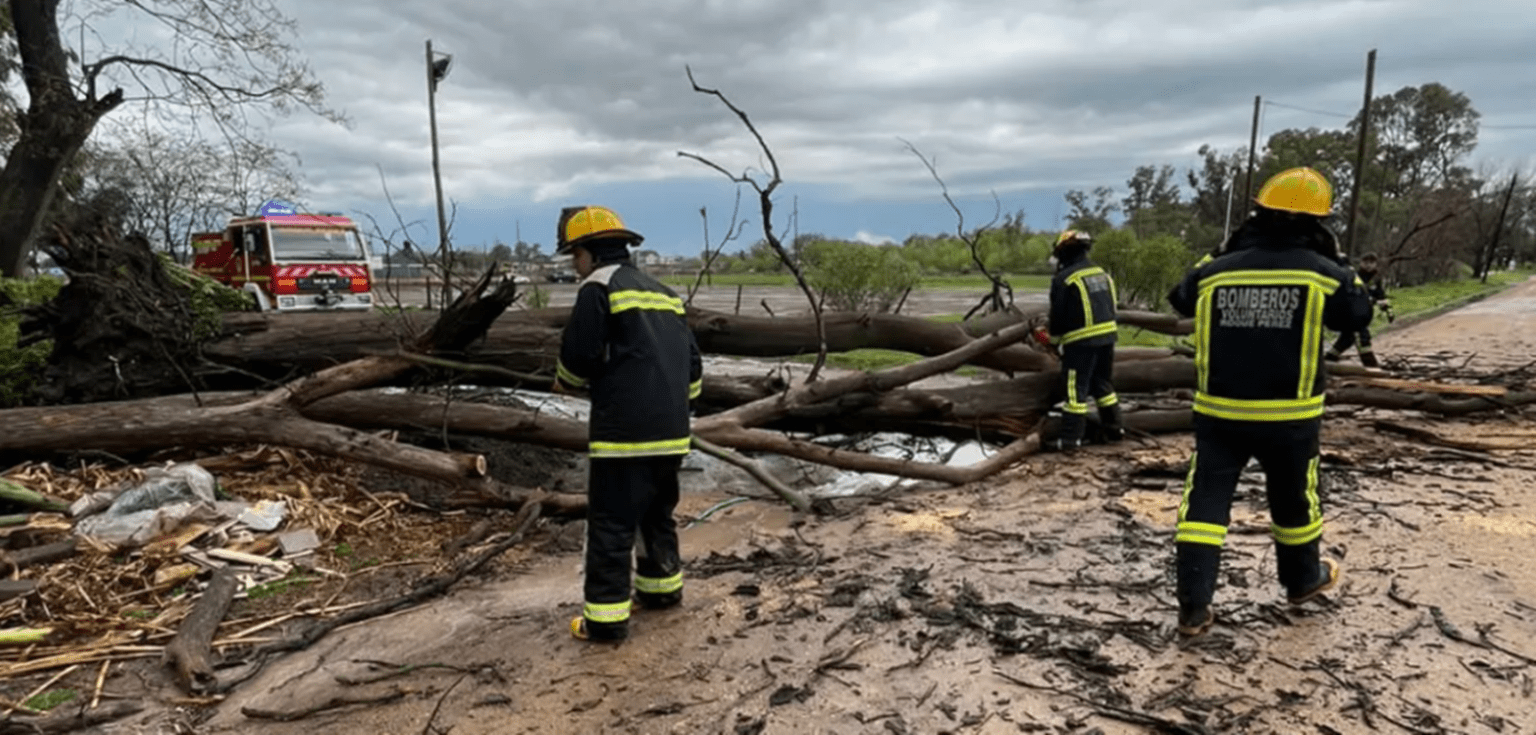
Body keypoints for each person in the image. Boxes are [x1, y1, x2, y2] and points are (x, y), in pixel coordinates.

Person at [1166, 167, 1373, 636]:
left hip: (1219, 415)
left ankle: (1193, 607)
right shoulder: (1323, 273)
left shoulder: (1216, 271)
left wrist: (1220, 252)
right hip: (1290, 417)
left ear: (1257, 214)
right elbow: (1358, 313)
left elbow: (1180, 296)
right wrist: (1341, 262)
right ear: (1318, 223)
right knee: (1295, 499)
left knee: (1205, 503)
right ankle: (1302, 581)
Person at [552, 205, 703, 643]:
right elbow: (693, 365)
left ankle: (604, 621)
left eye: (574, 256)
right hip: (672, 432)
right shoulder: (665, 294)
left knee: (611, 525)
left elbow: (580, 352)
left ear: (590, 252)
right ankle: (661, 591)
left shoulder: (598, 287)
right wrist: (679, 406)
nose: (574, 266)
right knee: (657, 515)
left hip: (623, 435)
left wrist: (567, 381)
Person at [1045, 229, 1122, 451]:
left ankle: (1070, 440)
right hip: (1108, 337)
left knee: (1074, 390)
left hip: (1080, 343)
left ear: (1063, 252)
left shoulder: (1065, 279)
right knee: (1102, 384)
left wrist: (1052, 340)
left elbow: (1058, 315)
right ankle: (1115, 428)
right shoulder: (1102, 273)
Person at [1326, 252, 1389, 367]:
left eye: (1371, 262)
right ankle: (1369, 363)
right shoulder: (1353, 275)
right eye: (1366, 262)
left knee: (1348, 337)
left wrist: (1384, 305)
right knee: (1360, 333)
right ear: (1360, 263)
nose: (1368, 265)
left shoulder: (1376, 279)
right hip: (1350, 313)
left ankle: (1330, 357)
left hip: (1360, 312)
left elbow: (1380, 294)